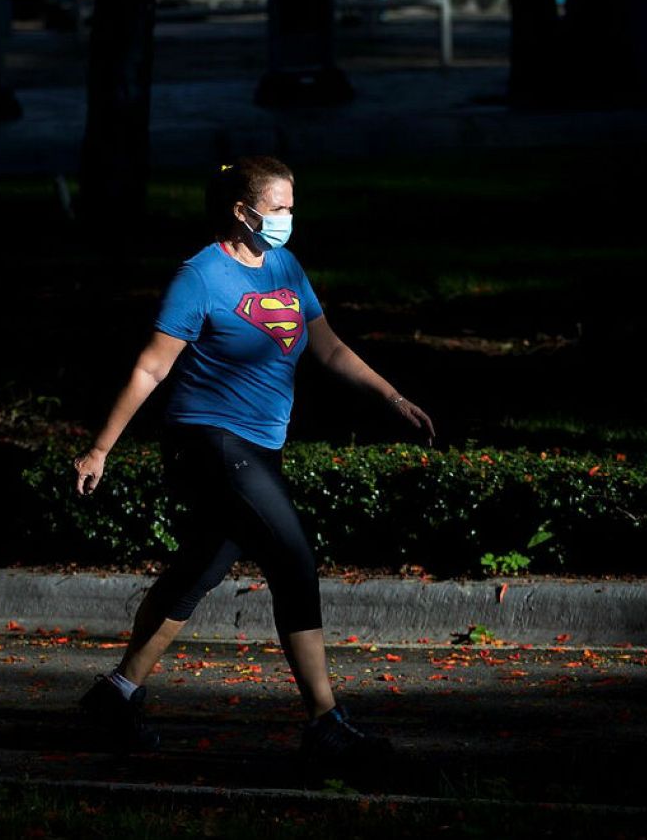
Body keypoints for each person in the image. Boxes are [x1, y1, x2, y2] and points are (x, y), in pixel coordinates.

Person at [73, 155, 435, 764]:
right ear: (243, 212)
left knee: (199, 569)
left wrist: (391, 395)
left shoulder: (285, 267)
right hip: (208, 443)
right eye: (279, 208)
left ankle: (117, 694)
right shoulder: (200, 276)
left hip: (259, 448)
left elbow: (329, 348)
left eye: (293, 206)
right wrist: (100, 448)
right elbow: (150, 366)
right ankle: (325, 722)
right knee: (292, 559)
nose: (290, 218)